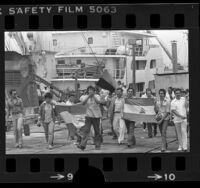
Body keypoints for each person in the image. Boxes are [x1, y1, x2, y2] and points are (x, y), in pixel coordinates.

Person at [77, 86, 102, 150]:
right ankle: (83, 145)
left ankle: (97, 145)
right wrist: (88, 96)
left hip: (96, 116)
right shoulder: (85, 96)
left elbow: (98, 102)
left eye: (92, 90)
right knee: (86, 130)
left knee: (97, 131)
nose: (90, 91)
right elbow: (83, 103)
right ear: (87, 91)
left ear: (94, 91)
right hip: (88, 116)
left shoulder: (97, 96)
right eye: (89, 90)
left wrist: (93, 96)